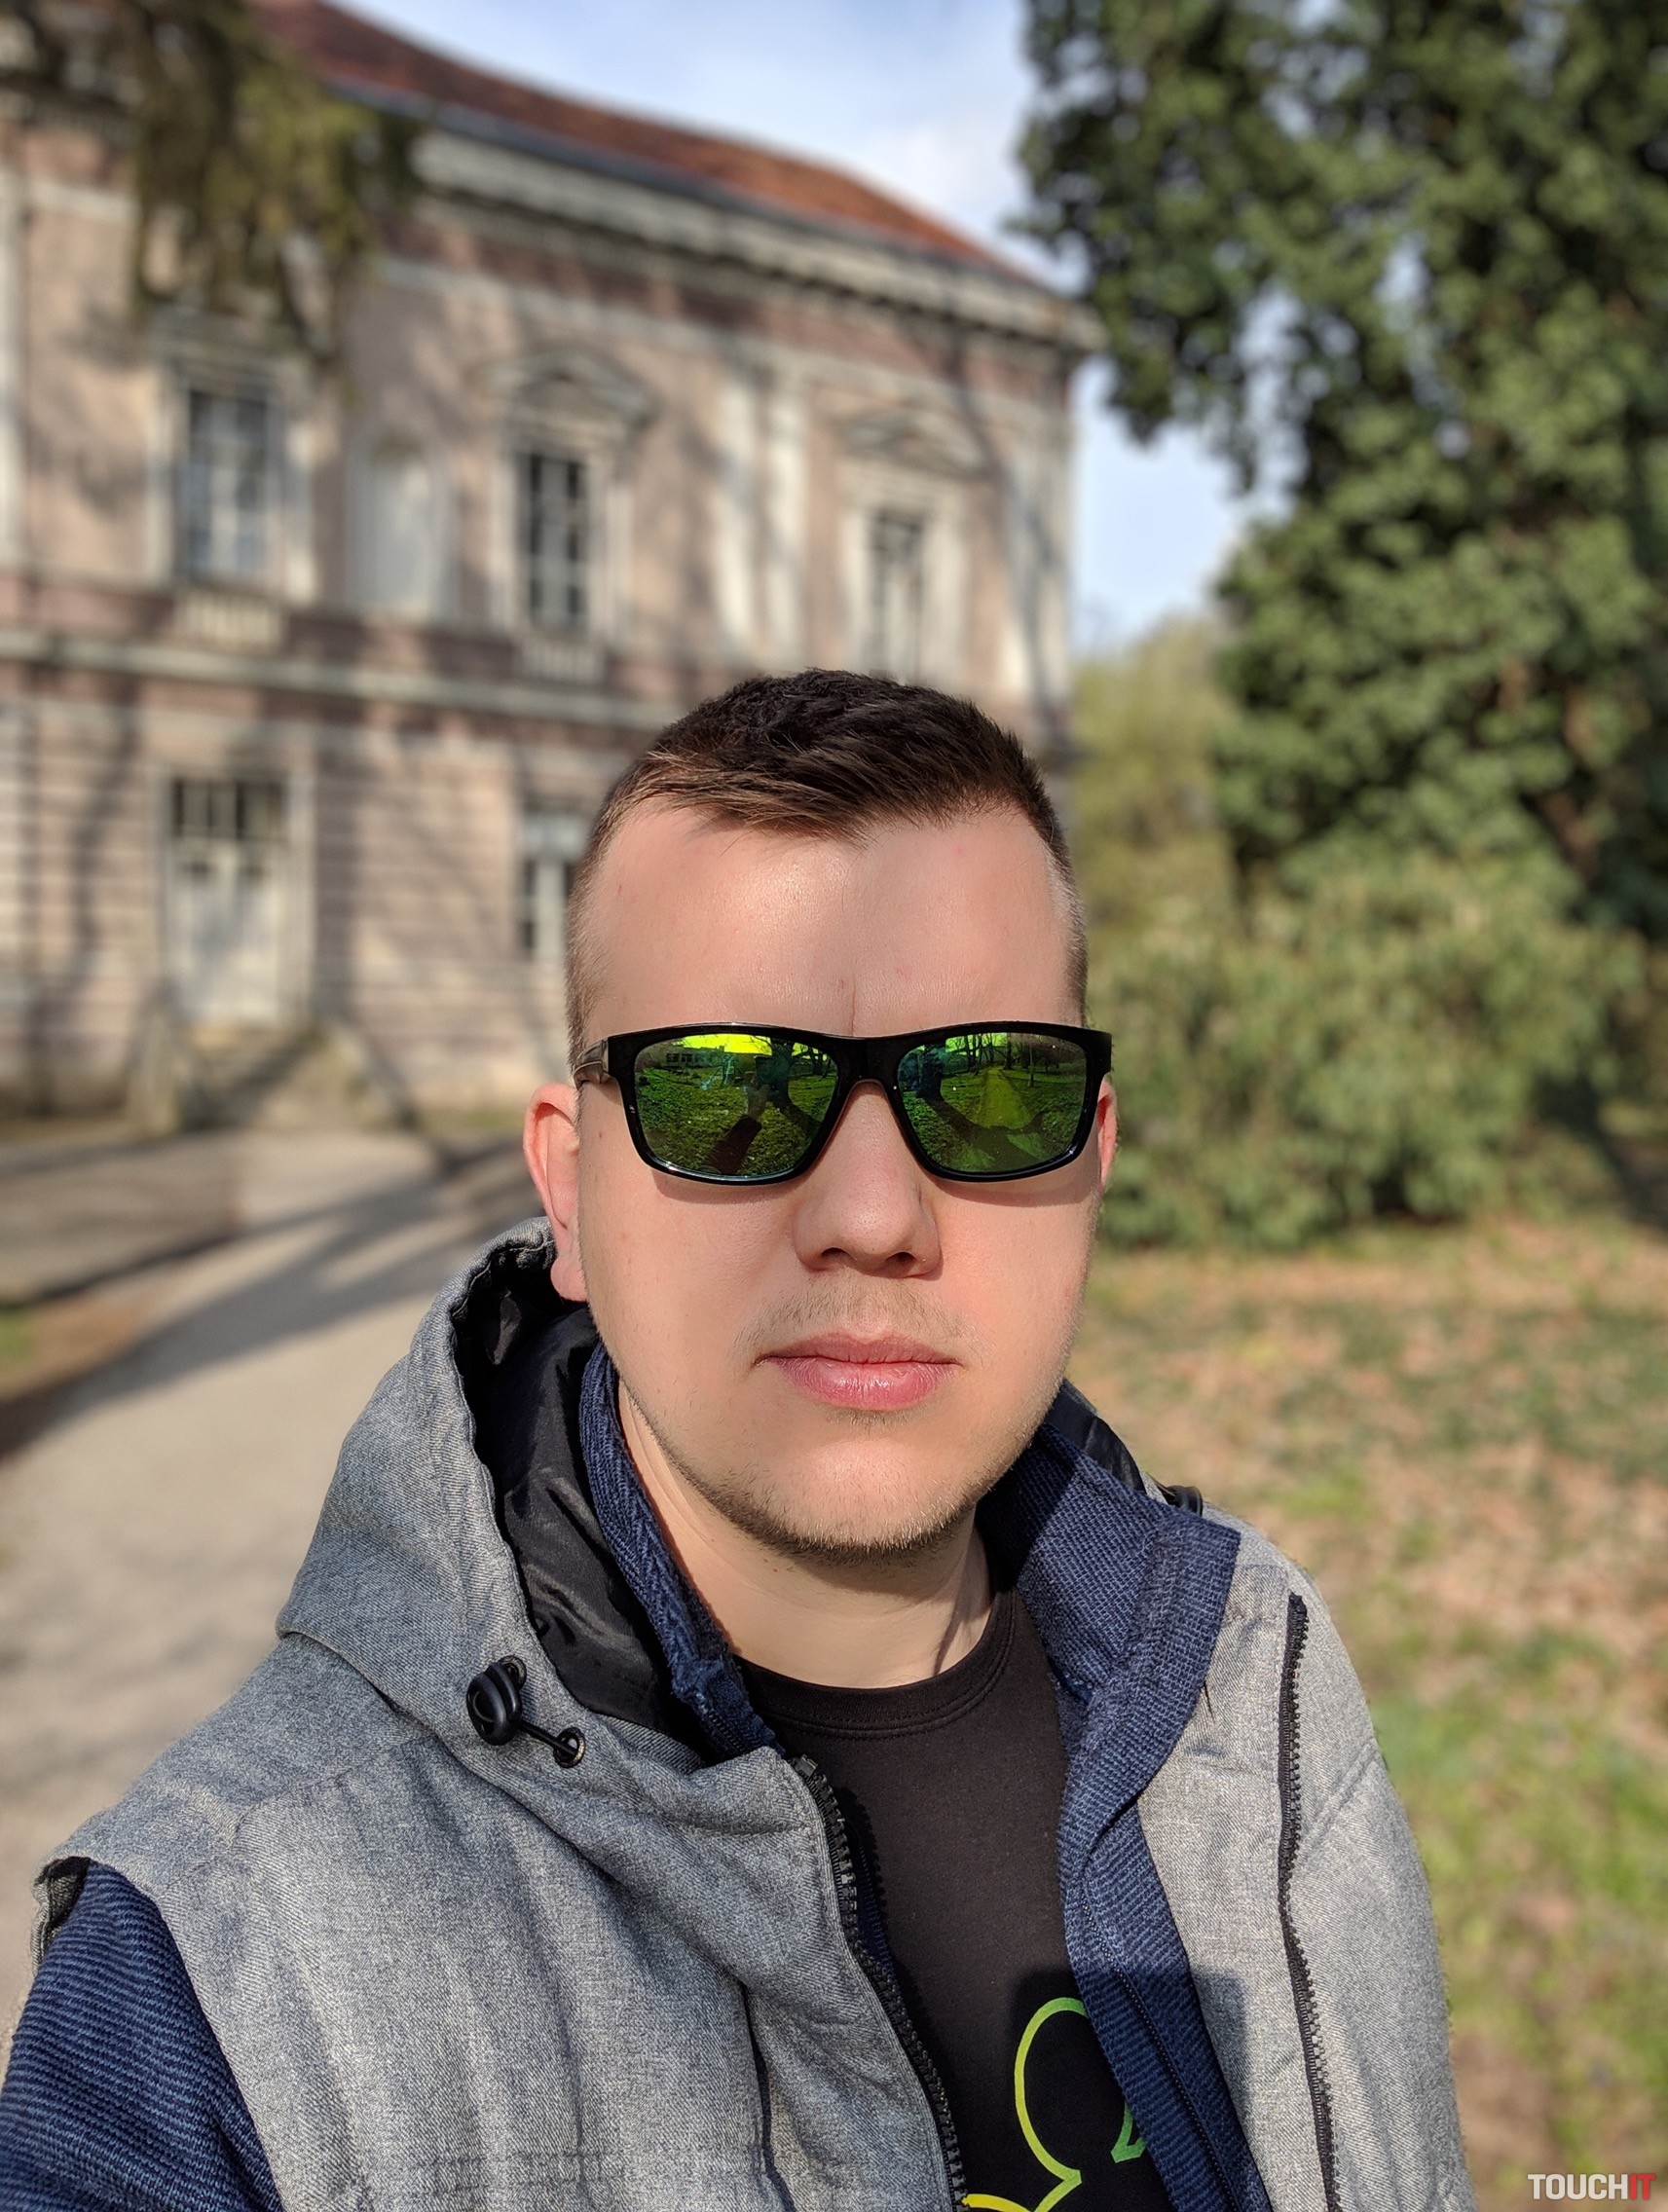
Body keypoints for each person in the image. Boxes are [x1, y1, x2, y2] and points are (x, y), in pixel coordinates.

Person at [0, 672, 1476, 2212]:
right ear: (570, 1193)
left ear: (1090, 1159)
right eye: (728, 1096)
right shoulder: (214, 1981)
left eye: (986, 1089)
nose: (872, 1218)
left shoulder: (1259, 1679)